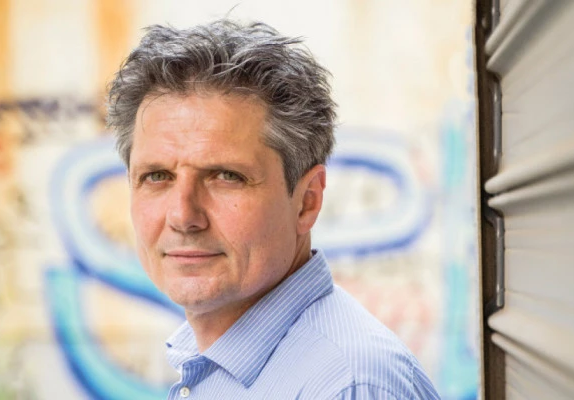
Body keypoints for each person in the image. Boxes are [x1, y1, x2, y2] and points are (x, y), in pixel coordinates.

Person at [106, 19, 440, 400]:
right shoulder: (214, 363)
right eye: (156, 176)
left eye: (226, 176)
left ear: (307, 201)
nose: (183, 216)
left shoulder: (349, 385)